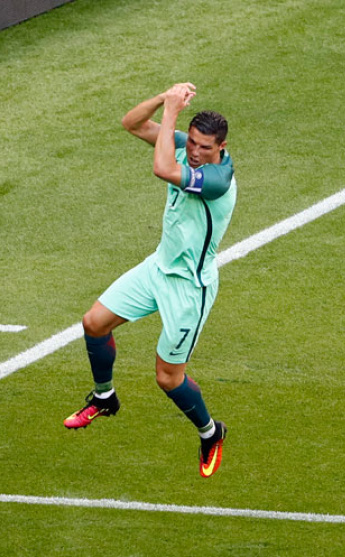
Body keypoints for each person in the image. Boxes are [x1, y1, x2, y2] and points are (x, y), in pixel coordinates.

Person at [63, 83, 237, 478]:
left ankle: (211, 432)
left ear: (222, 147)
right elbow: (132, 123)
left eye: (204, 147)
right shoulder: (186, 146)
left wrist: (171, 113)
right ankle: (104, 398)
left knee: (167, 378)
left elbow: (163, 169)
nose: (195, 151)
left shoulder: (217, 179)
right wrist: (163, 98)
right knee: (94, 323)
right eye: (191, 142)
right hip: (158, 267)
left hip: (189, 288)